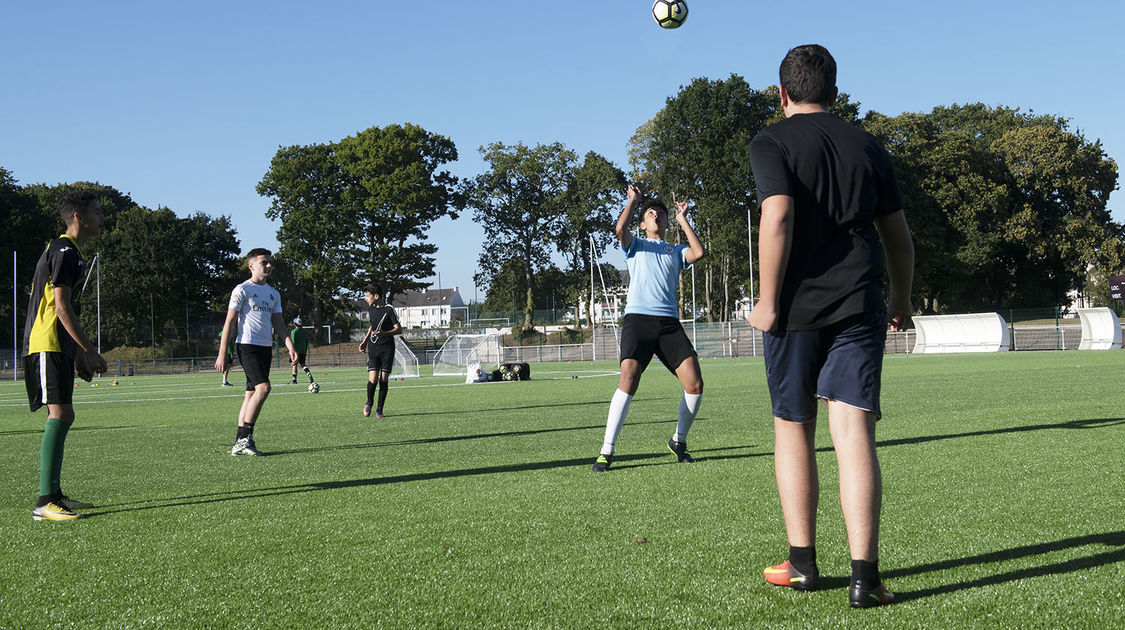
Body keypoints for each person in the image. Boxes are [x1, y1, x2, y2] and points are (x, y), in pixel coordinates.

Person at [747, 44, 914, 608]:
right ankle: (865, 579)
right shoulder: (869, 145)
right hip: (859, 304)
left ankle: (802, 565)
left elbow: (779, 214)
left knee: (794, 427)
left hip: (794, 310)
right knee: (854, 433)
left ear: (783, 92)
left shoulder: (770, 140)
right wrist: (902, 299)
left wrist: (768, 303)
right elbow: (897, 234)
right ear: (835, 93)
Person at [591, 185, 705, 472]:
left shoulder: (676, 250)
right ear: (643, 223)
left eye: (662, 214)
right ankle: (607, 449)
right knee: (629, 377)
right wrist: (633, 201)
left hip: (668, 324)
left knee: (695, 384)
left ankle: (679, 440)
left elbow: (699, 252)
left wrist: (683, 220)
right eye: (651, 213)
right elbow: (619, 228)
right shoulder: (637, 245)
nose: (658, 216)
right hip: (638, 320)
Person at [22, 190, 108, 521]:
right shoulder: (63, 250)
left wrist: (75, 354)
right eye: (97, 212)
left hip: (57, 345)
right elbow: (60, 307)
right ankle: (45, 501)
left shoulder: (68, 251)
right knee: (59, 415)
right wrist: (88, 349)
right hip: (46, 342)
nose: (101, 217)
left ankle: (55, 495)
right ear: (78, 217)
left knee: (64, 415)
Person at [214, 248, 298, 455]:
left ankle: (239, 442)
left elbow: (279, 323)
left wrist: (290, 345)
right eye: (264, 262)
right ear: (251, 266)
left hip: (265, 348)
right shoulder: (241, 290)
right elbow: (229, 322)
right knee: (263, 388)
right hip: (247, 346)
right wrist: (222, 353)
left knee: (251, 393)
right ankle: (244, 440)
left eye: (270, 262)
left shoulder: (273, 293)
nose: (268, 266)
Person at [357, 283, 401, 418]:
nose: (365, 299)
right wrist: (364, 341)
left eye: (367, 296)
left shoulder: (389, 309)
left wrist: (384, 333)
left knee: (383, 379)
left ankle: (380, 409)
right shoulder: (371, 309)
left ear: (376, 296)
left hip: (387, 348)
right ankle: (369, 402)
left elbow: (398, 329)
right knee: (373, 379)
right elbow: (372, 326)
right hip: (373, 348)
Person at [288, 316, 316, 386]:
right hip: (303, 350)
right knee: (303, 364)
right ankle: (309, 375)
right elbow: (307, 342)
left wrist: (292, 351)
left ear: (295, 324)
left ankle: (294, 380)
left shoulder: (294, 331)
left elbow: (293, 342)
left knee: (294, 364)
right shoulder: (305, 331)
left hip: (296, 351)